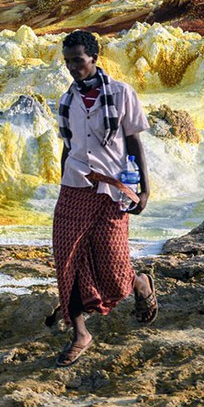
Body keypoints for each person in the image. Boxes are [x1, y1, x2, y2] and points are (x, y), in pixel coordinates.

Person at [51, 30, 157, 367]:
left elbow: (135, 143)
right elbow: (67, 146)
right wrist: (62, 181)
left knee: (114, 270)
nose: (72, 68)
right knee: (66, 257)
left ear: (94, 58)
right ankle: (80, 333)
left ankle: (140, 283)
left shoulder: (122, 93)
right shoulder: (67, 100)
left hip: (112, 189)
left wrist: (144, 189)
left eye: (78, 61)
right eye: (67, 61)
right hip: (74, 188)